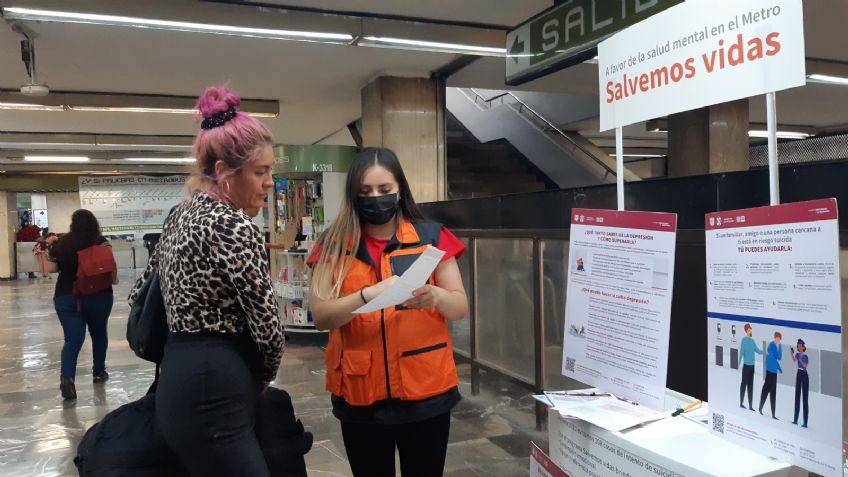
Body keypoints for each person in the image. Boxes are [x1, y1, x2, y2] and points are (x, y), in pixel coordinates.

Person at [128, 86, 284, 476]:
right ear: (222, 172)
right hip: (217, 384)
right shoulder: (233, 224)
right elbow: (267, 325)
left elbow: (140, 293)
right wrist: (266, 373)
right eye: (260, 172)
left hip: (176, 377)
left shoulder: (177, 216)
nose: (269, 182)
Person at [309, 147, 469, 477]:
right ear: (353, 194)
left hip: (426, 392)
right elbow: (322, 315)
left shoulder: (431, 237)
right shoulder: (334, 244)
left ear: (400, 189)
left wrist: (437, 296)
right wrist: (366, 295)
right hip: (360, 394)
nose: (376, 198)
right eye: (365, 192)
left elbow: (459, 307)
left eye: (385, 190)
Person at [46, 210, 117, 400]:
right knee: (99, 333)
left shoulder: (61, 243)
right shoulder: (101, 241)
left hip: (67, 297)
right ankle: (98, 372)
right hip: (99, 295)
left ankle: (67, 378)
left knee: (72, 339)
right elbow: (111, 266)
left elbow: (51, 269)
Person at [759, 331, 783, 419]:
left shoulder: (775, 346)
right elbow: (778, 357)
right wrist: (779, 346)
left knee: (773, 393)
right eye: (777, 338)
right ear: (775, 337)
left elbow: (776, 359)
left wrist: (779, 369)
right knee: (766, 390)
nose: (778, 340)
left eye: (780, 339)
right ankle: (760, 407)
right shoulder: (772, 346)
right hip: (770, 373)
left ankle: (773, 414)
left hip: (774, 374)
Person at [739, 323, 763, 410]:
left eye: (750, 329)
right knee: (743, 384)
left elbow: (758, 351)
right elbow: (741, 352)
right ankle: (741, 402)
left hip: (752, 367)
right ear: (746, 331)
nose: (750, 331)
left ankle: (750, 406)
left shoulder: (752, 341)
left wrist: (765, 351)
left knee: (750, 386)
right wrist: (738, 363)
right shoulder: (744, 340)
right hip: (746, 366)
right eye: (748, 330)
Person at [791, 339, 810, 427]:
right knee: (797, 396)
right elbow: (794, 360)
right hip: (798, 374)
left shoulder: (805, 356)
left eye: (800, 346)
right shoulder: (797, 354)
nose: (799, 347)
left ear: (803, 347)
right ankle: (795, 420)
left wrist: (800, 360)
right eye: (798, 346)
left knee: (805, 399)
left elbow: (805, 366)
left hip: (804, 375)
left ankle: (805, 422)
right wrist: (792, 353)